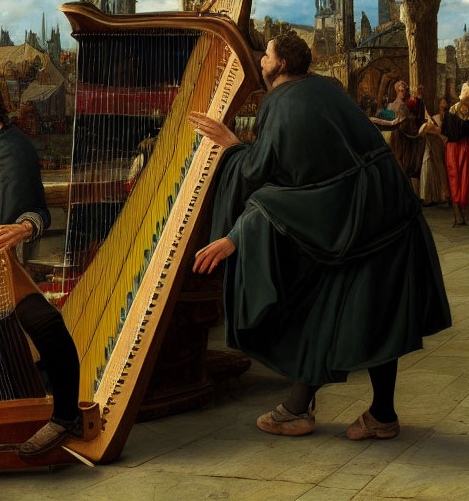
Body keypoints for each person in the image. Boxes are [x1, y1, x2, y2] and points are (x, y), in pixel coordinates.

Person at [188, 33, 450, 441]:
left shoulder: (284, 102)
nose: (261, 61)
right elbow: (304, 169)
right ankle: (368, 413)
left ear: (282, 64)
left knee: (333, 307)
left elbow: (269, 180)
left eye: (267, 56)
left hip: (357, 218)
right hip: (386, 208)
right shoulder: (321, 89)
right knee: (377, 312)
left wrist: (232, 149)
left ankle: (305, 409)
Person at [0, 82, 80, 457]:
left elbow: (37, 210)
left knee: (46, 325)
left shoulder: (14, 148)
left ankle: (66, 417)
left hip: (1, 259)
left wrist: (23, 226)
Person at [441, 83, 469, 226]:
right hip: (465, 148)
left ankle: (459, 216)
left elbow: (445, 131)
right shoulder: (468, 114)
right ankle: (465, 215)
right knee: (466, 179)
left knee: (456, 180)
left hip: (453, 149)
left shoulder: (450, 112)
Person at [419, 98, 450, 206]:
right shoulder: (432, 120)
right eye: (442, 102)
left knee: (441, 166)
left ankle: (444, 195)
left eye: (445, 102)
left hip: (443, 146)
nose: (444, 104)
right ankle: (430, 196)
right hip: (433, 146)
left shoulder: (448, 116)